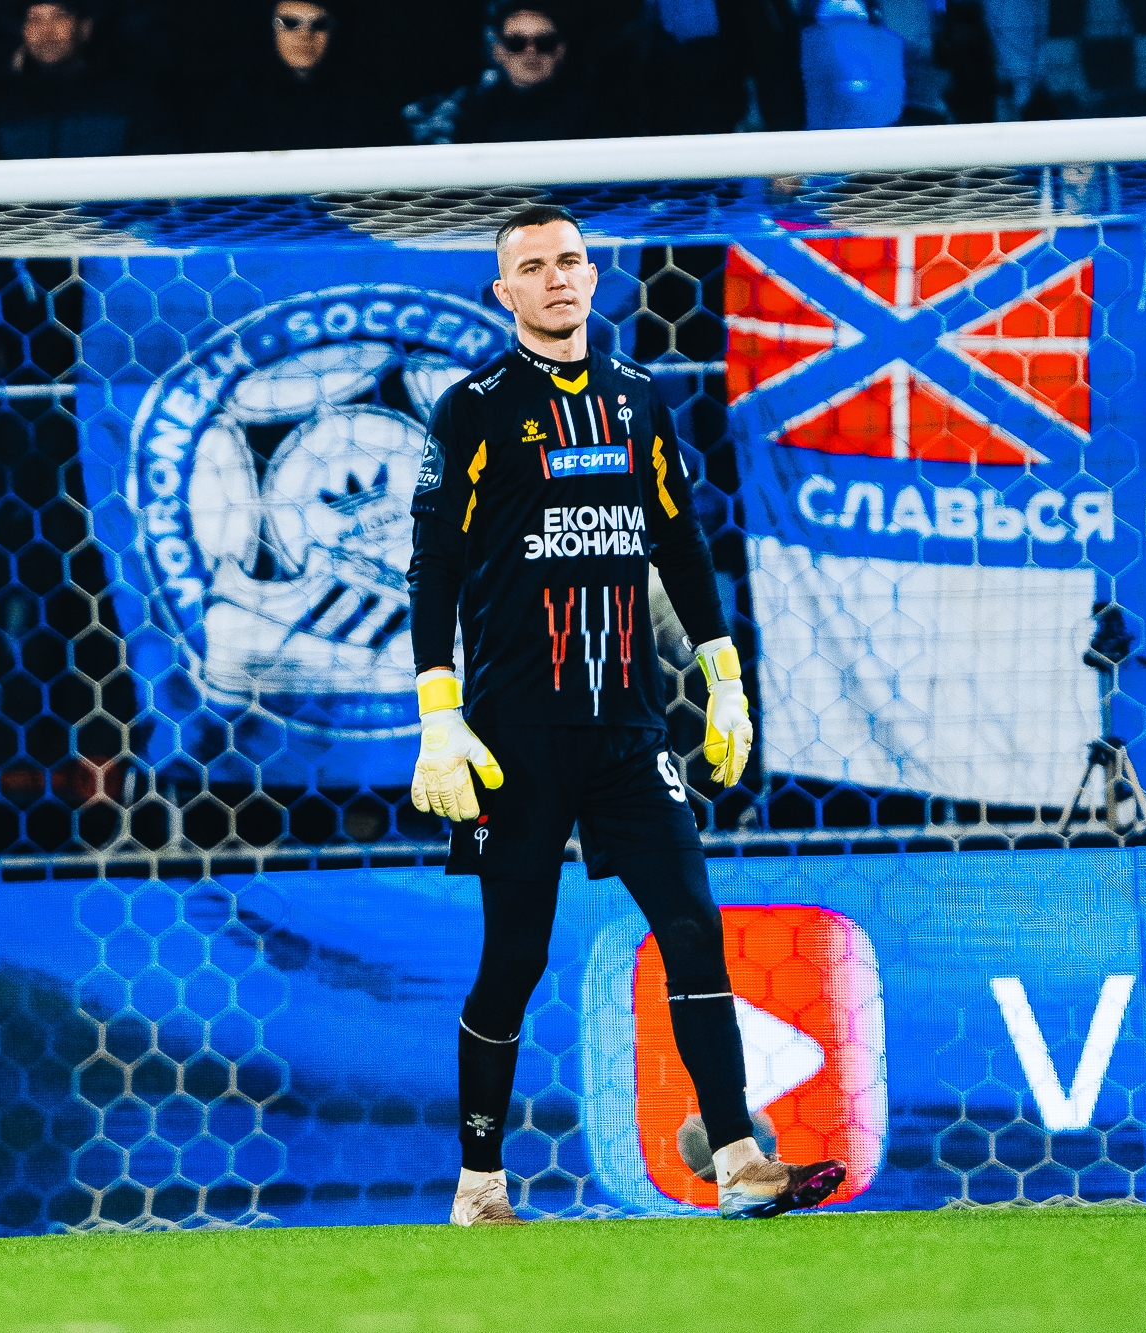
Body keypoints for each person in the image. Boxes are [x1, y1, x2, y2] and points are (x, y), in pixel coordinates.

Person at [407, 203, 847, 1224]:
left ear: (594, 276)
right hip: (512, 736)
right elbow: (433, 563)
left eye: (570, 260)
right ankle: (479, 1185)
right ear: (503, 291)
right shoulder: (472, 407)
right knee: (512, 959)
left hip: (629, 728)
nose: (557, 277)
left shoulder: (638, 397)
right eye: (533, 266)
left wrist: (723, 673)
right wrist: (438, 707)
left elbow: (678, 539)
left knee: (692, 925)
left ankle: (738, 1161)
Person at [0, 0, 161, 159]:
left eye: (60, 16)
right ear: (23, 32)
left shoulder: (128, 101)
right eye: (34, 19)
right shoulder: (0, 109)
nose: (46, 33)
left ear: (85, 28)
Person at [210, 0, 407, 152]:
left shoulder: (368, 101)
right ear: (267, 28)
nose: (305, 35)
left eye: (319, 24)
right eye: (290, 23)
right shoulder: (237, 104)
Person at [404, 3, 606, 146]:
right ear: (498, 51)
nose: (531, 52)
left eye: (544, 42)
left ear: (560, 51)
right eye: (516, 43)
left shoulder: (594, 111)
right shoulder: (465, 111)